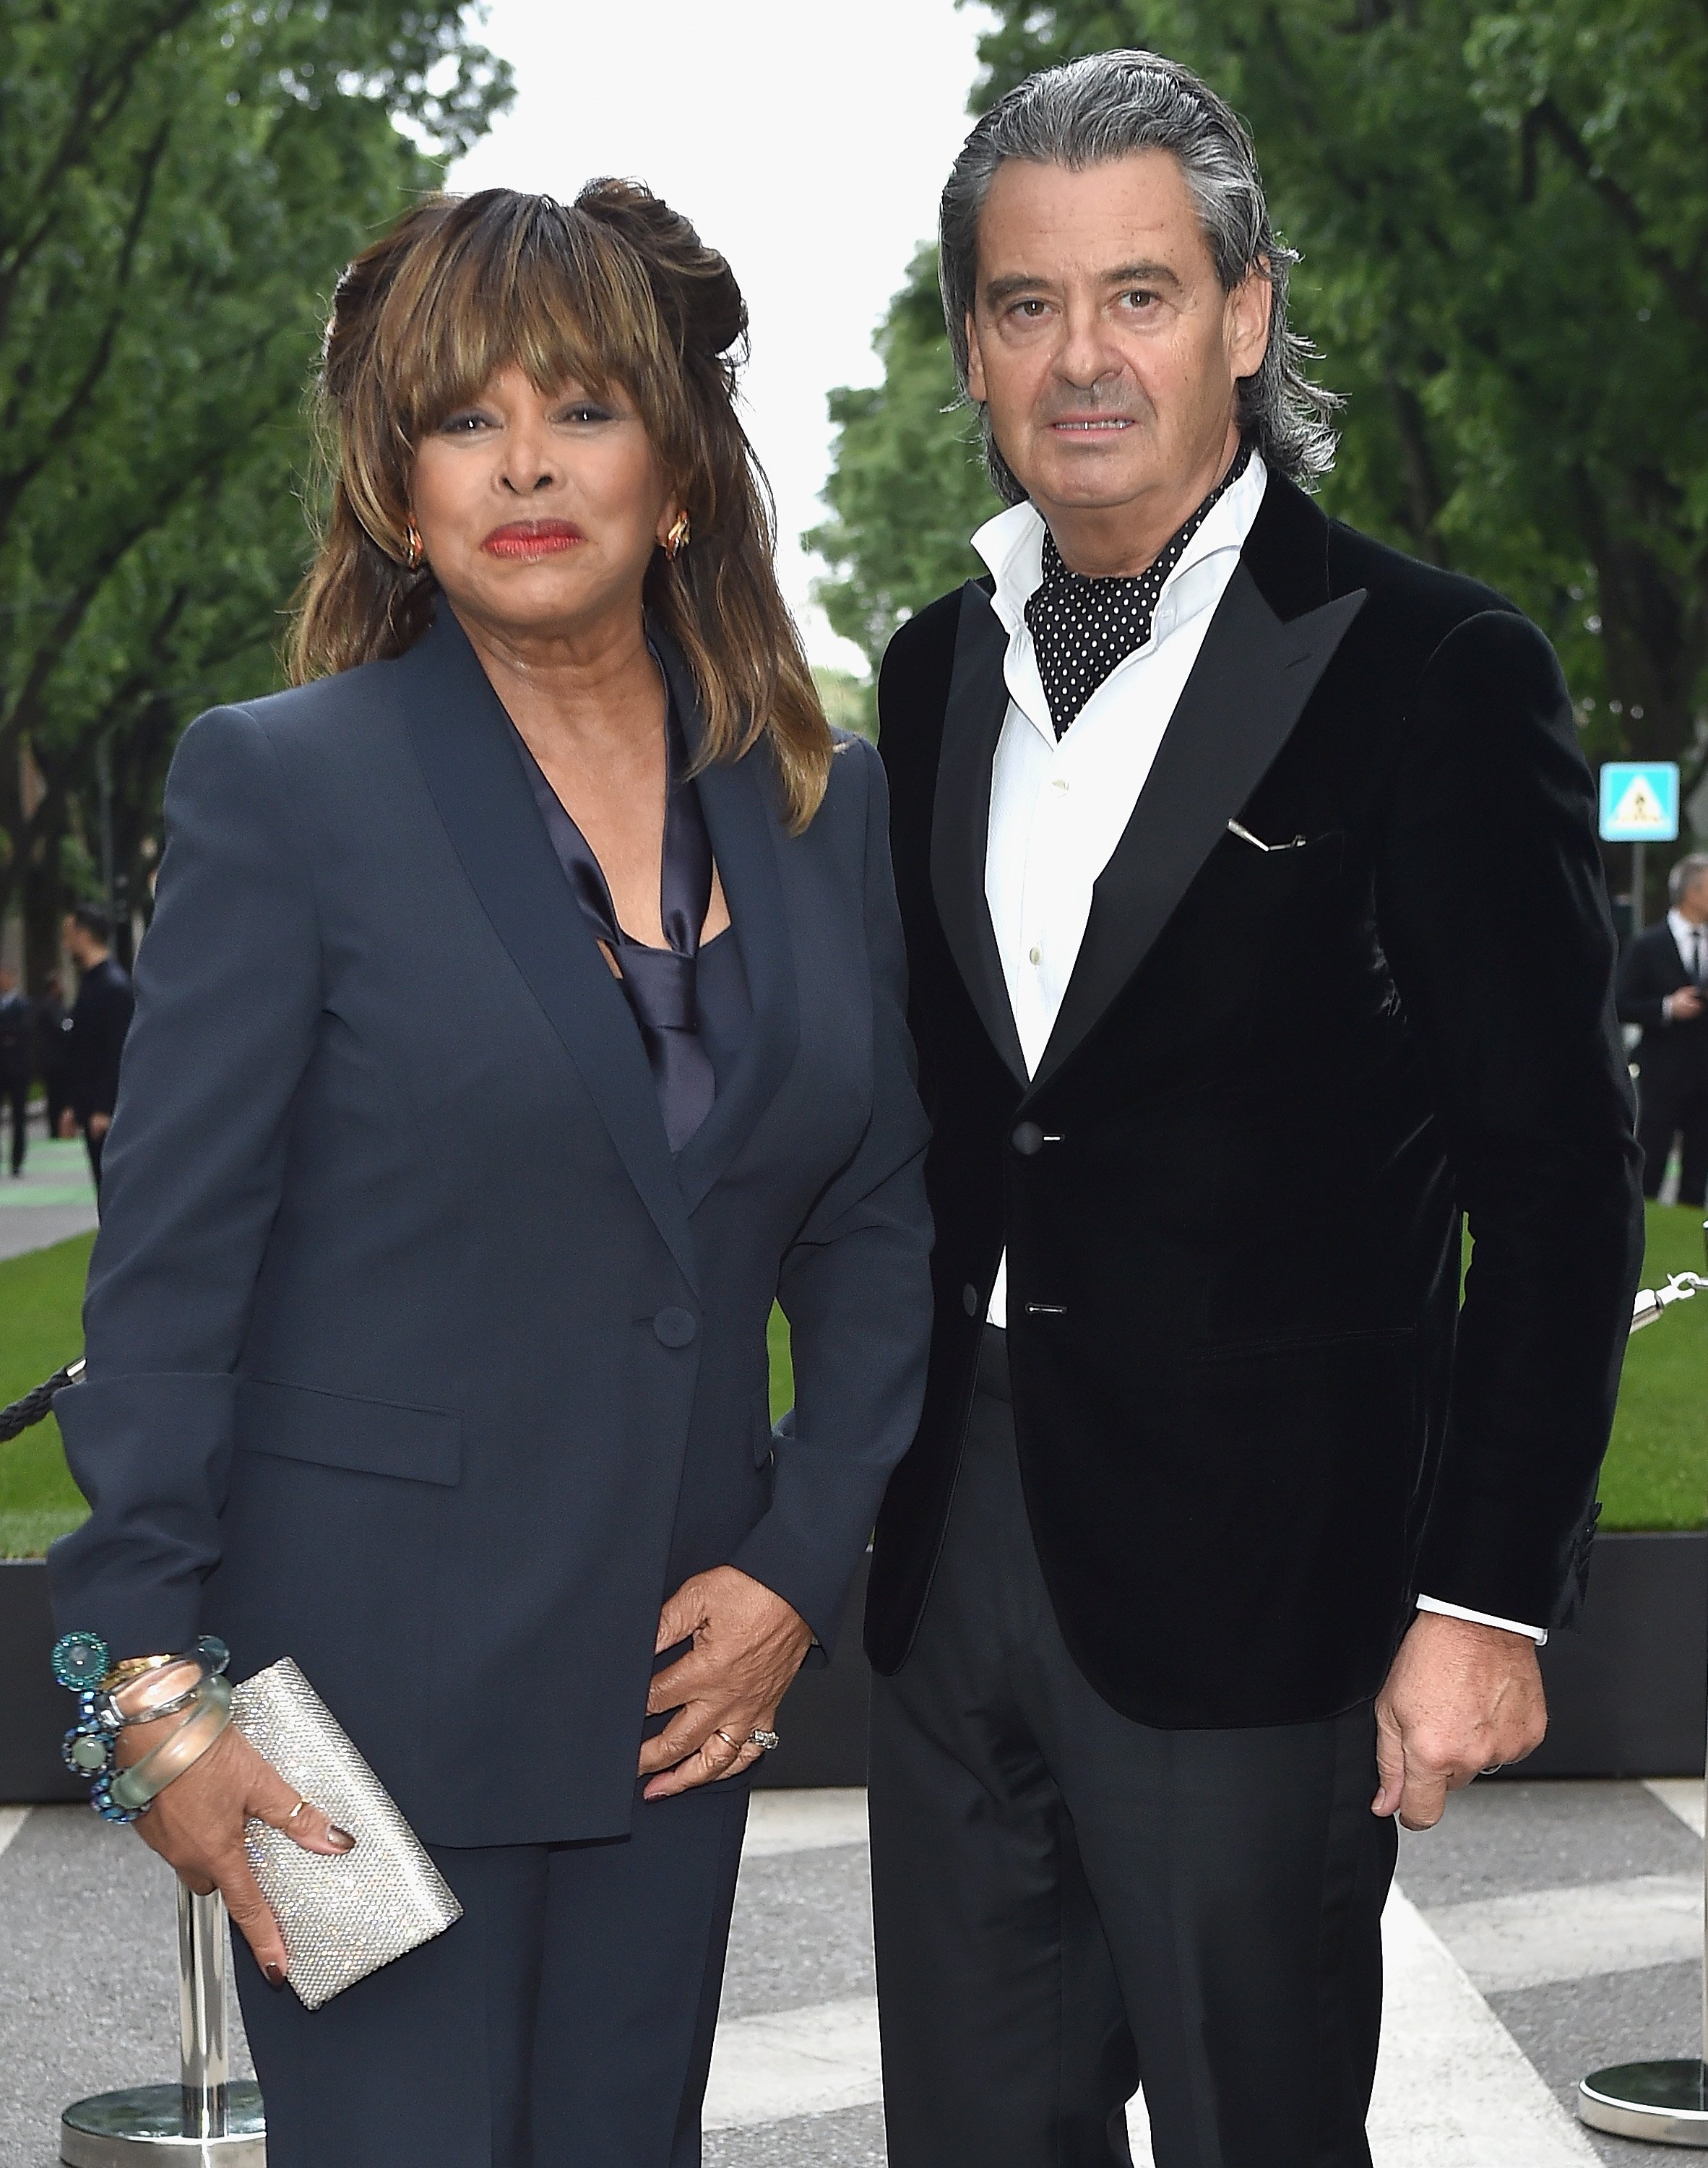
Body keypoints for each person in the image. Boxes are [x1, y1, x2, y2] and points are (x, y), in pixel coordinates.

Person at [47, 184, 931, 2168]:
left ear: (682, 477)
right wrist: (141, 1709)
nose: (525, 460)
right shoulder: (281, 785)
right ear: (397, 487)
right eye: (463, 417)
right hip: (346, 1721)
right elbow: (166, 1293)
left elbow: (876, 1226)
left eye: (585, 407)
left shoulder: (817, 802)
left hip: (672, 1702)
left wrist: (804, 1561)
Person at [865, 52, 1643, 2168]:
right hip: (952, 1564)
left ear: (1243, 309)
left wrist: (1481, 1598)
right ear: (970, 343)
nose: (1078, 353)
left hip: (1264, 1573)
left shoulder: (1426, 666)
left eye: (1135, 293)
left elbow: (1555, 1178)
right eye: (1023, 304)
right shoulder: (927, 669)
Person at [1616, 852, 1708, 1205]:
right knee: (1651, 1159)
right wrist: (1667, 1007)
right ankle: (1645, 1232)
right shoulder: (1648, 945)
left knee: (1698, 1167)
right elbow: (1620, 1003)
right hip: (1663, 1072)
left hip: (1704, 1072)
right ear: (1692, 892)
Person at [61, 904, 134, 1195]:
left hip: (105, 1115)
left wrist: (104, 1108)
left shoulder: (112, 986)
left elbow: (118, 1051)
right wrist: (73, 1105)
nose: (66, 944)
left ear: (83, 934)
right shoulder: (94, 983)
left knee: (112, 1195)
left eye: (69, 935)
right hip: (91, 1108)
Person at [0, 965, 31, 1177]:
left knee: (19, 1117)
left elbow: (25, 1033)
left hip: (18, 1070)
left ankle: (17, 1161)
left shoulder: (22, 1006)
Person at [35, 971, 72, 1147]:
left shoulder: (52, 1005)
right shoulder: (50, 1006)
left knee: (57, 1094)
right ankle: (56, 1128)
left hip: (54, 1059)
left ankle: (57, 1126)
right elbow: (62, 1026)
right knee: (56, 1095)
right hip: (54, 1060)